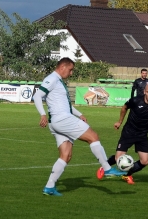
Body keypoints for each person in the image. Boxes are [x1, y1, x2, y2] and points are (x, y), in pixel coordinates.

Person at [33, 57, 125, 196]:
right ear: (62, 67)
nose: (71, 73)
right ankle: (106, 168)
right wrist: (42, 114)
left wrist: (79, 114)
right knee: (93, 137)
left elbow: (65, 105)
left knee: (66, 155)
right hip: (62, 119)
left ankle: (49, 187)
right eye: (70, 70)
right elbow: (37, 96)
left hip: (58, 121)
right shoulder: (52, 79)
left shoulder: (58, 81)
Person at [97, 83, 148, 184]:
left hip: (142, 135)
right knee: (117, 158)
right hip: (129, 132)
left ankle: (127, 175)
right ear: (145, 91)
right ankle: (104, 167)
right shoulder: (136, 100)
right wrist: (119, 122)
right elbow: (124, 108)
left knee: (145, 161)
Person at [131, 68, 148, 136]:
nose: (144, 74)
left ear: (147, 74)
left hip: (147, 101)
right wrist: (132, 99)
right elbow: (133, 90)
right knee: (136, 115)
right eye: (143, 73)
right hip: (139, 101)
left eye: (145, 73)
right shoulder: (137, 81)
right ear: (141, 74)